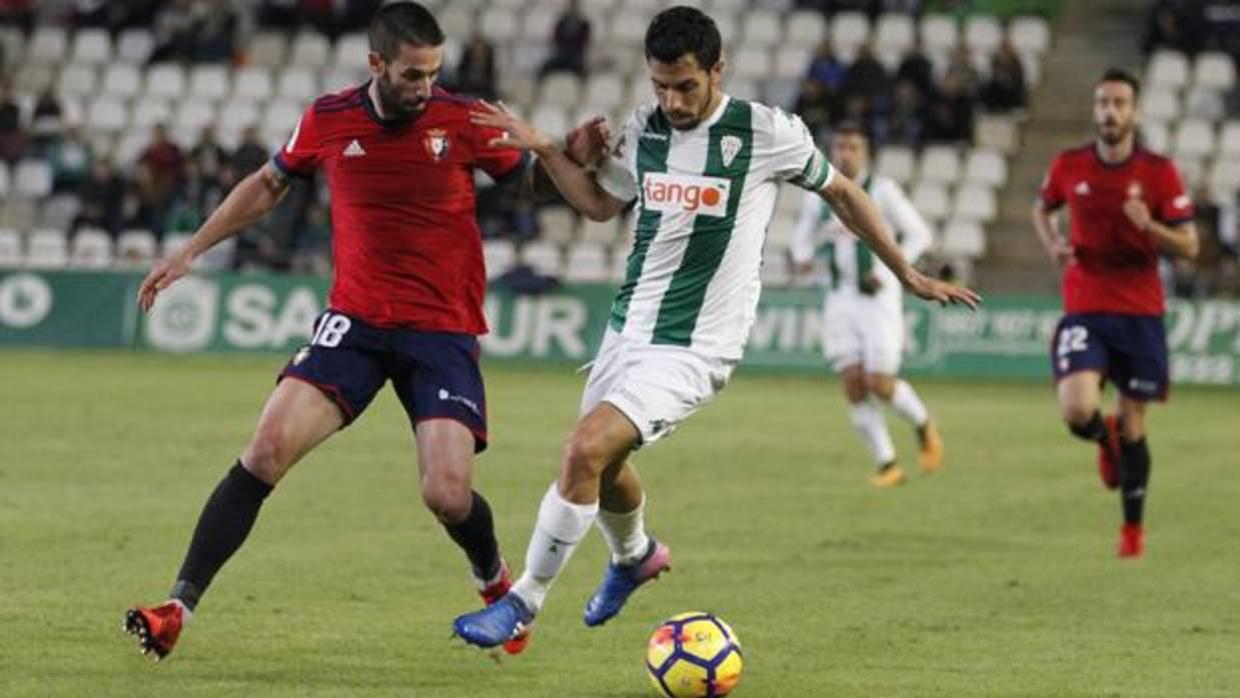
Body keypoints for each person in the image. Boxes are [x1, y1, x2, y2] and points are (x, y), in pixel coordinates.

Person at [451, 5, 980, 649]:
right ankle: (635, 556)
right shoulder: (644, 127)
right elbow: (594, 204)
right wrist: (549, 148)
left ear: (717, 70)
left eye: (686, 86)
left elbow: (843, 192)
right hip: (627, 330)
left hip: (697, 345)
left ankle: (523, 601)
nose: (671, 101)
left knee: (583, 450)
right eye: (660, 86)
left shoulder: (763, 132)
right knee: (607, 465)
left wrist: (908, 273)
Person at [123, 2, 558, 661]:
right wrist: (191, 250)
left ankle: (495, 581)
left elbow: (530, 187)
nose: (426, 88)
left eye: (435, 74)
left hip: (441, 329)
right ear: (377, 64)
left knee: (446, 495)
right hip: (353, 323)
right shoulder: (328, 119)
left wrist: (557, 153)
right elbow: (269, 185)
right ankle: (175, 607)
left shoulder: (464, 118)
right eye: (414, 75)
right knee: (266, 449)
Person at [1032, 68, 1198, 559]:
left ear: (1136, 112)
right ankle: (1101, 439)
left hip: (1140, 312)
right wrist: (1054, 245)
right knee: (1077, 409)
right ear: (1095, 110)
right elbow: (1042, 208)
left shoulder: (1159, 172)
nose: (1111, 112)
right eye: (1104, 103)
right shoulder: (1069, 165)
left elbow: (1189, 246)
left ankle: (1132, 530)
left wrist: (1151, 227)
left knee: (1134, 422)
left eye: (1121, 103)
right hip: (1085, 305)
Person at [790, 123, 941, 487]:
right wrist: (804, 257)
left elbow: (921, 233)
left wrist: (889, 270)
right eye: (840, 146)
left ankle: (923, 425)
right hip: (840, 299)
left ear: (866, 152)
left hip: (878, 301)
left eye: (853, 147)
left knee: (880, 383)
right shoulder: (819, 196)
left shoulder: (883, 192)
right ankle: (887, 464)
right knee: (853, 383)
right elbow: (801, 239)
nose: (845, 154)